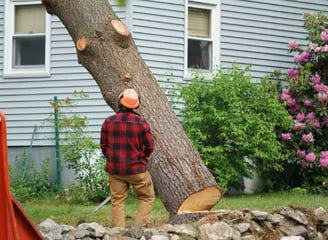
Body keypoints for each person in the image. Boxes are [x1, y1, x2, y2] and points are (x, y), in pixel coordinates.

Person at [100, 88, 155, 228]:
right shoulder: (141, 122)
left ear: (120, 102)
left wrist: (112, 158)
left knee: (117, 201)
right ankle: (138, 230)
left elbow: (103, 145)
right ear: (137, 104)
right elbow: (150, 146)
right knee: (147, 198)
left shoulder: (108, 121)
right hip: (137, 170)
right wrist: (144, 158)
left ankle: (117, 233)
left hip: (115, 170)